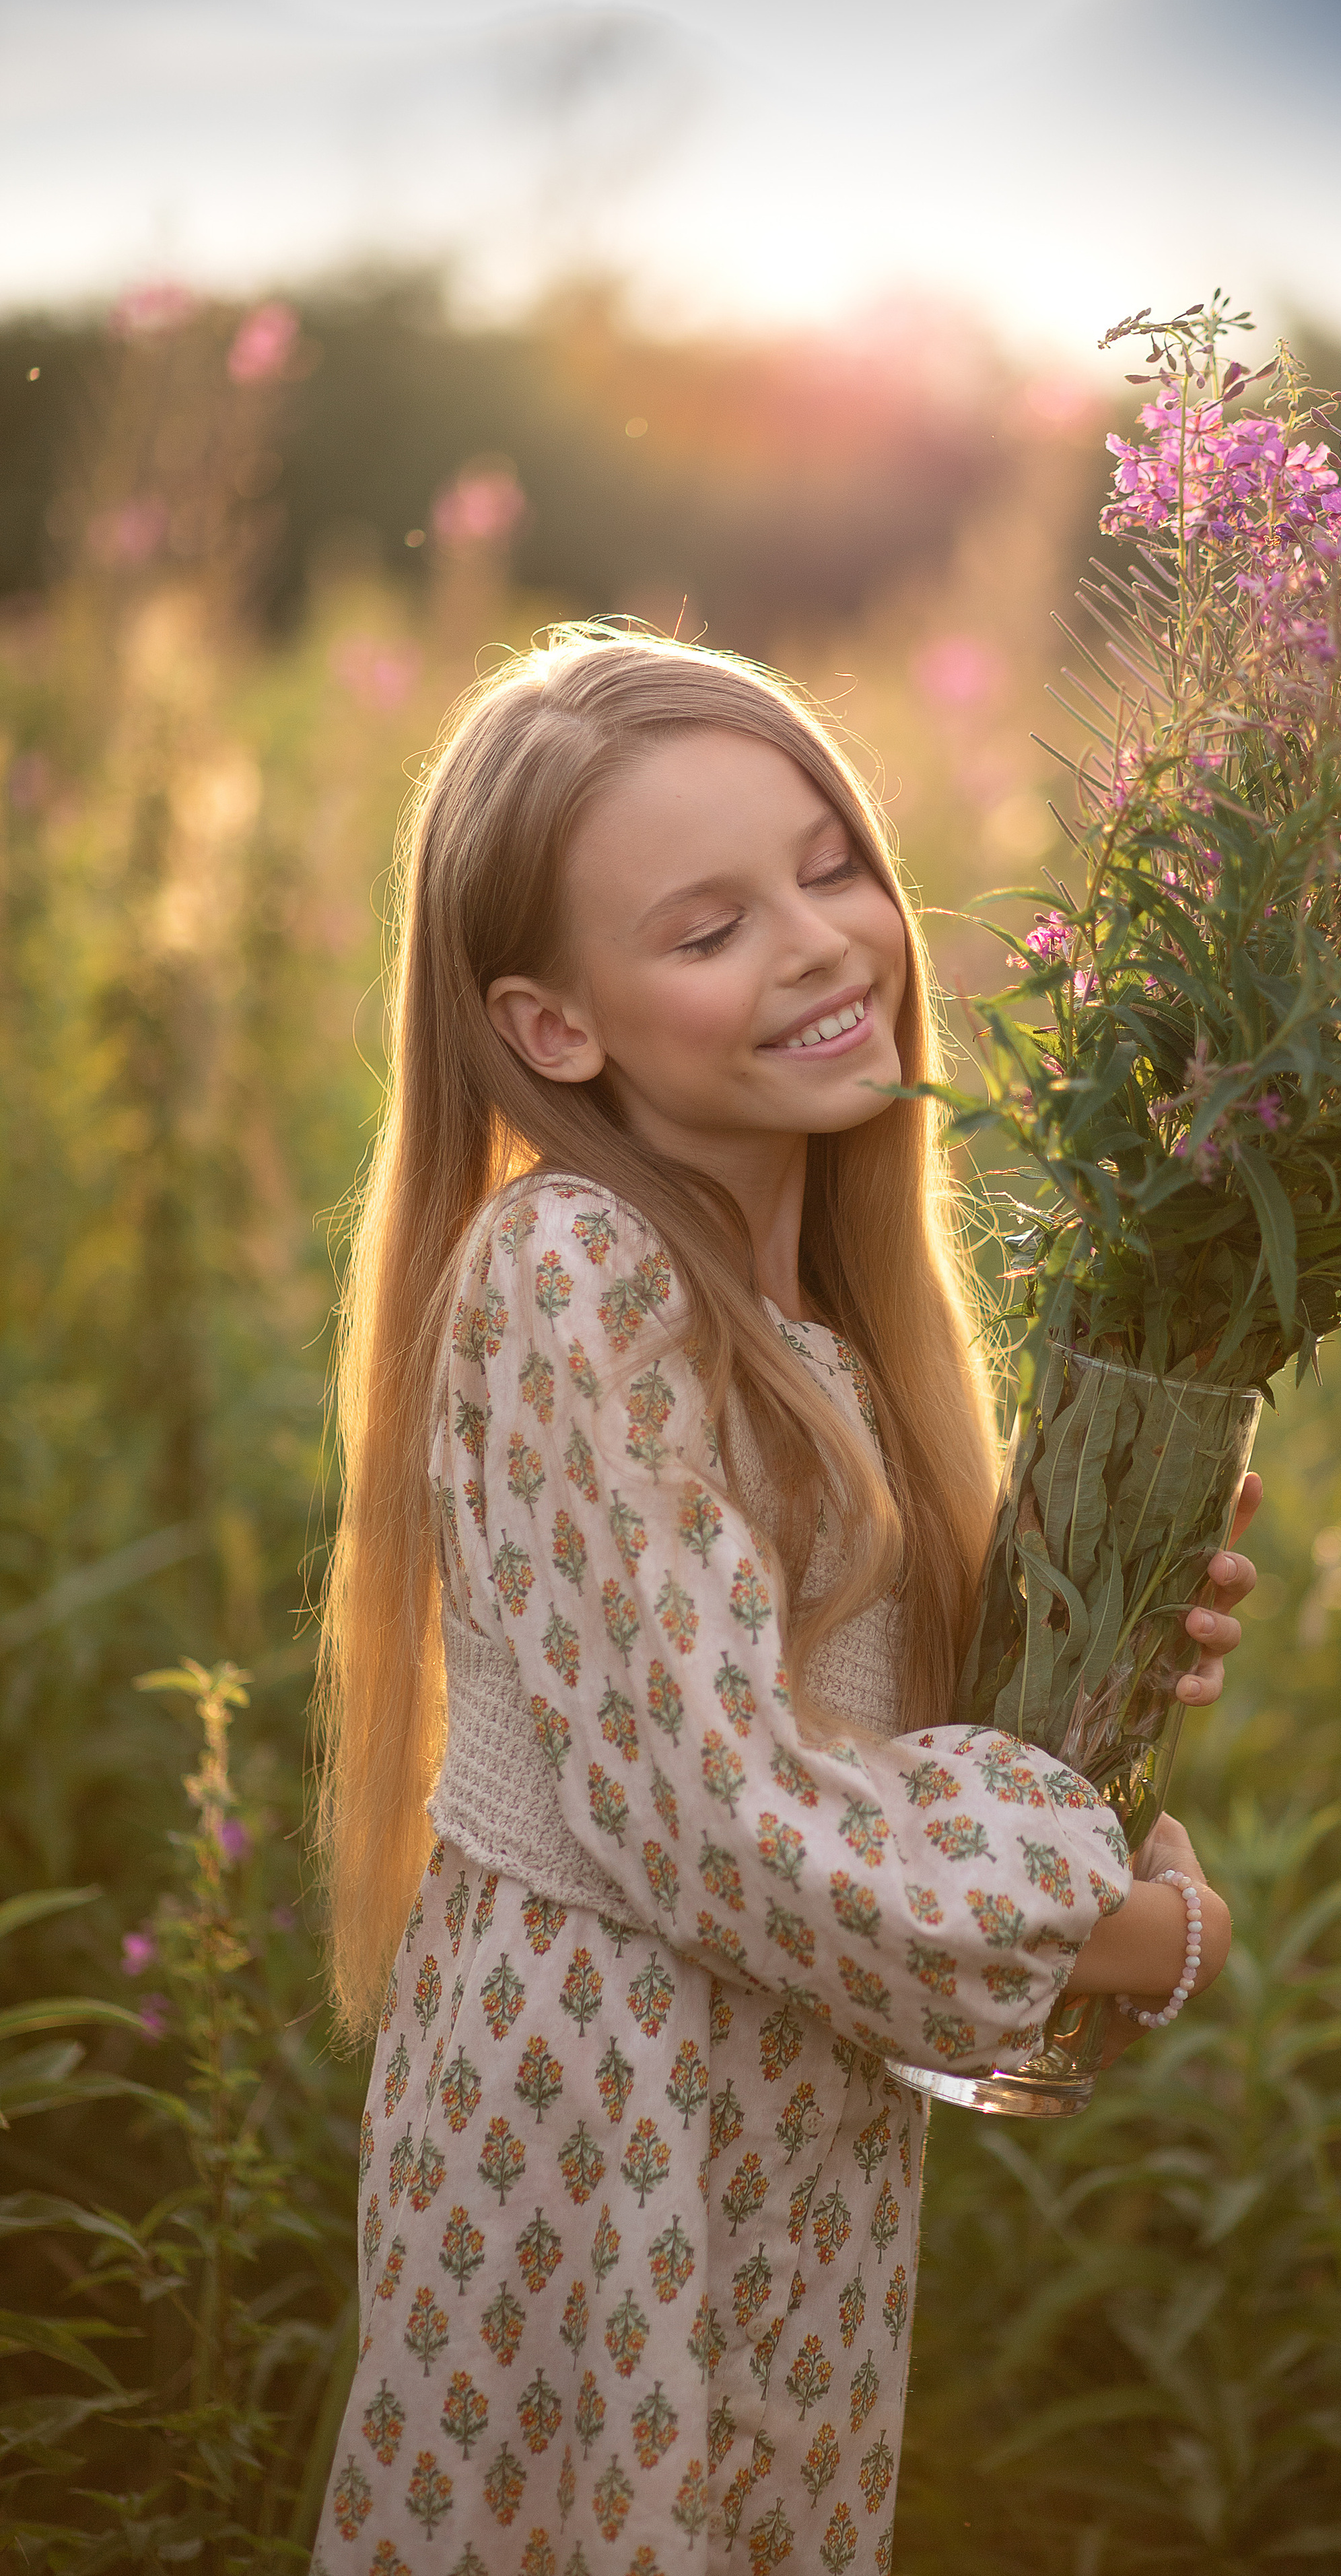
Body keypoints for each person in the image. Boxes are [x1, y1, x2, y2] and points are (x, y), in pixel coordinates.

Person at [311, 630, 1258, 2573]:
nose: (825, 942)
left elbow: (840, 1735)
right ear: (555, 1027)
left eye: (831, 865)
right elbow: (708, 1813)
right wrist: (1108, 1921)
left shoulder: (818, 1311)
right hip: (607, 2096)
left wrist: (1101, 1658)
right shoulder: (575, 1266)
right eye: (708, 926)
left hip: (781, 2090)